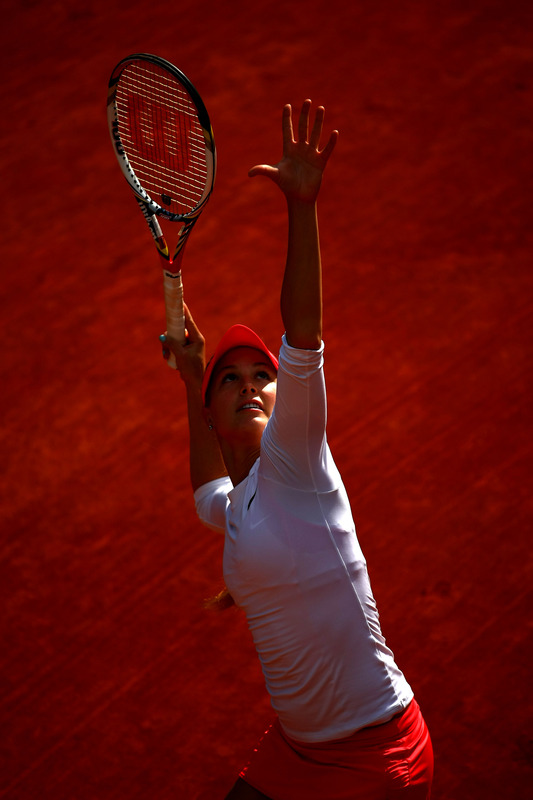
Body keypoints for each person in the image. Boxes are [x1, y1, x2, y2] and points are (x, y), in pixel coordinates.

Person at [161, 100, 434, 799]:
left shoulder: (296, 463)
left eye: (262, 376)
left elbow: (303, 330)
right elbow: (205, 497)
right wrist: (193, 375)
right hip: (299, 752)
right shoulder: (240, 504)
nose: (250, 385)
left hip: (375, 756)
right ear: (212, 411)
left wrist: (301, 207)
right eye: (230, 380)